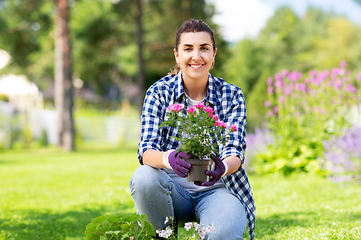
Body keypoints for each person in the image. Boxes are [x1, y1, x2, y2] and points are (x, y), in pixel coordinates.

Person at [129, 19, 255, 240]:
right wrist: (169, 159)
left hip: (217, 190)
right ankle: (162, 236)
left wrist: (223, 167)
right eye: (188, 49)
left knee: (224, 234)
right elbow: (146, 150)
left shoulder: (231, 95)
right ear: (177, 55)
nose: (196, 56)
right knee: (144, 177)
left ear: (214, 54)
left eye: (204, 48)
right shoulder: (158, 92)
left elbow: (235, 152)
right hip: (170, 193)